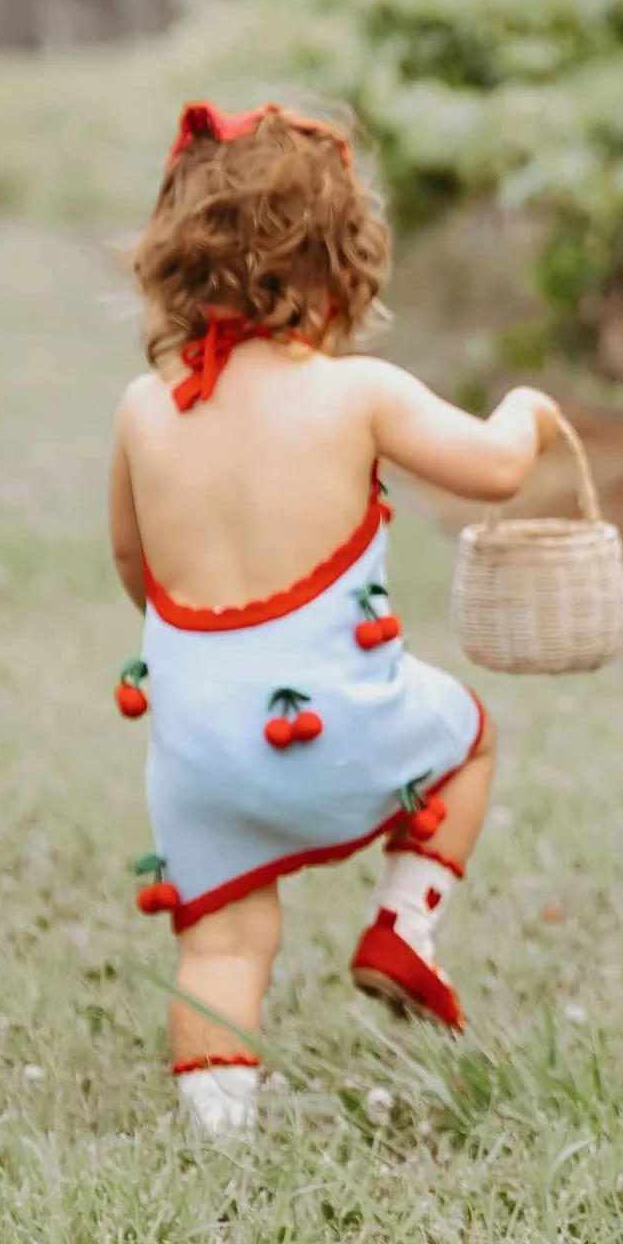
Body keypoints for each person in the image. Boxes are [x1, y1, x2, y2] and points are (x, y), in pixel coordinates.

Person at [108, 101, 560, 1141]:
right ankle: (404, 924)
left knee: (222, 938)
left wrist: (200, 656)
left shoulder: (146, 407)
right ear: (338, 259)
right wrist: (529, 409)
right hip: (339, 728)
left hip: (200, 747)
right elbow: (494, 471)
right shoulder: (356, 392)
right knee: (467, 736)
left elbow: (135, 561)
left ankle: (222, 1138)